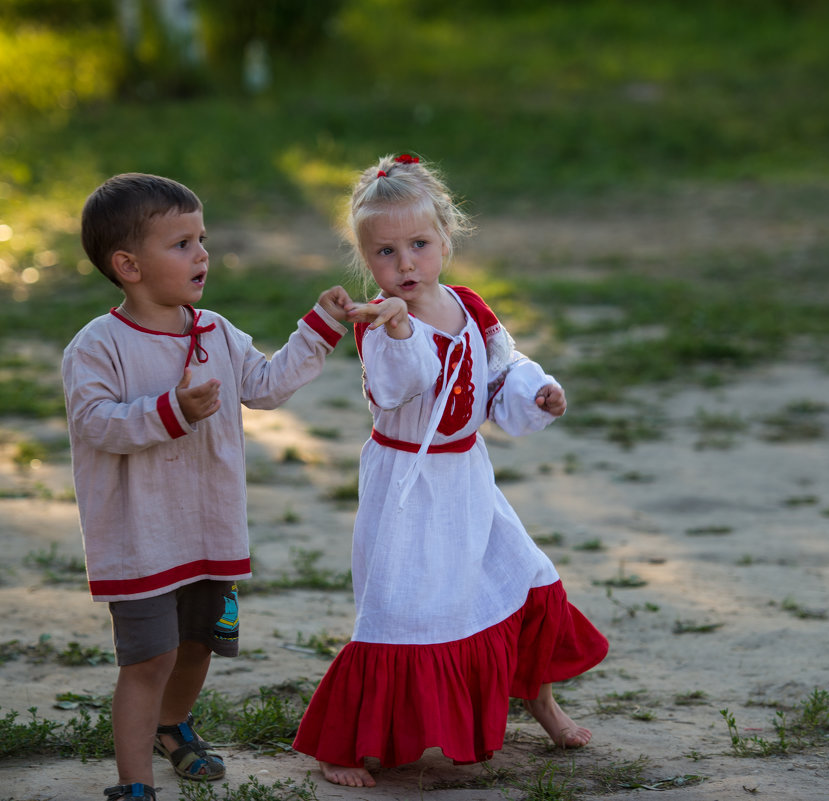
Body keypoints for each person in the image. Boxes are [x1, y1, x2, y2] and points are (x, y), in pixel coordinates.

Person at [292, 154, 609, 787]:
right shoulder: (382, 325)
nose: (404, 263)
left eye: (418, 244)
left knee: (522, 579)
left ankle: (541, 702)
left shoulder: (470, 307)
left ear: (445, 241)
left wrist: (535, 391)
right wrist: (400, 331)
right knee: (403, 606)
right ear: (365, 261)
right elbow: (397, 388)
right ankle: (344, 746)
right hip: (410, 486)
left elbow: (501, 369)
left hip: (467, 478)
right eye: (384, 253)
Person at [62, 173, 366, 801]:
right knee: (147, 660)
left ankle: (174, 727)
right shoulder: (98, 347)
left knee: (199, 646)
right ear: (129, 265)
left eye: (201, 238)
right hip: (142, 539)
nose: (202, 254)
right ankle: (134, 783)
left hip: (209, 529)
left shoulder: (216, 333)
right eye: (181, 244)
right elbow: (96, 425)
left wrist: (318, 329)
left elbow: (265, 385)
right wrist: (170, 411)